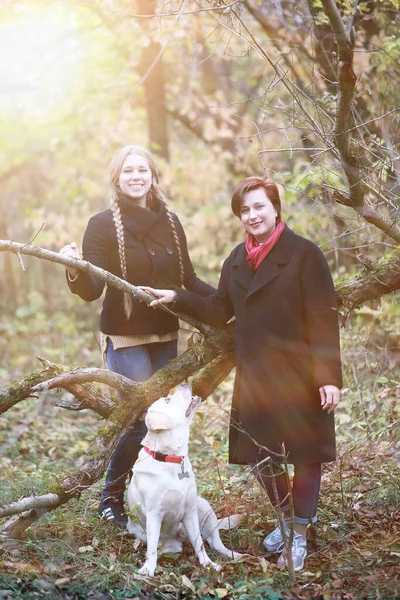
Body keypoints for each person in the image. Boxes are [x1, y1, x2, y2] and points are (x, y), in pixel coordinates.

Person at [141, 176, 342, 572]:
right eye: (244, 210)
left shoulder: (304, 254)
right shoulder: (236, 259)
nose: (252, 215)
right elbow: (219, 309)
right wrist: (180, 298)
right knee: (261, 456)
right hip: (256, 375)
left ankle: (299, 534)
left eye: (259, 207)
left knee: (304, 455)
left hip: (301, 375)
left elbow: (323, 319)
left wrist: (329, 376)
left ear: (275, 208)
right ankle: (289, 518)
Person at [60, 145, 215, 529]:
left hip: (165, 335)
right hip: (124, 336)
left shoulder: (171, 222)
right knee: (137, 421)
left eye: (142, 169)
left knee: (167, 420)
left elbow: (188, 280)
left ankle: (153, 495)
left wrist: (228, 300)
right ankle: (110, 498)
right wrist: (74, 269)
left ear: (152, 176)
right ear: (117, 178)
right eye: (127, 170)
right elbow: (94, 287)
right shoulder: (101, 225)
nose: (135, 175)